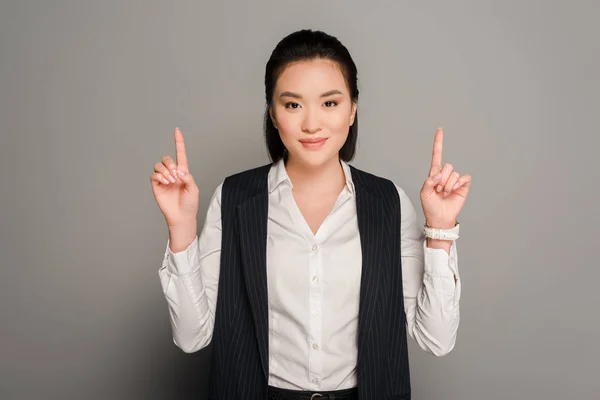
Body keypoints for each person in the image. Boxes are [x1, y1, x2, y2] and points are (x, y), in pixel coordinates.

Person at [151, 29, 471, 400]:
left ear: (352, 110)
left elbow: (437, 340)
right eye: (293, 105)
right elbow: (192, 338)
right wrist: (181, 227)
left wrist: (441, 230)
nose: (311, 124)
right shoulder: (236, 199)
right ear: (272, 114)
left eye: (330, 103)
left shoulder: (388, 202)